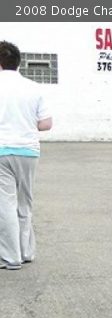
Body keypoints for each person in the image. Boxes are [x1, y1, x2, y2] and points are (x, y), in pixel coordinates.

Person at [0, 41, 52, 270]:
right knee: (25, 203)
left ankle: (10, 258)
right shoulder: (34, 88)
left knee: (5, 205)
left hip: (2, 151)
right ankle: (26, 251)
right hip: (29, 152)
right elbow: (46, 124)